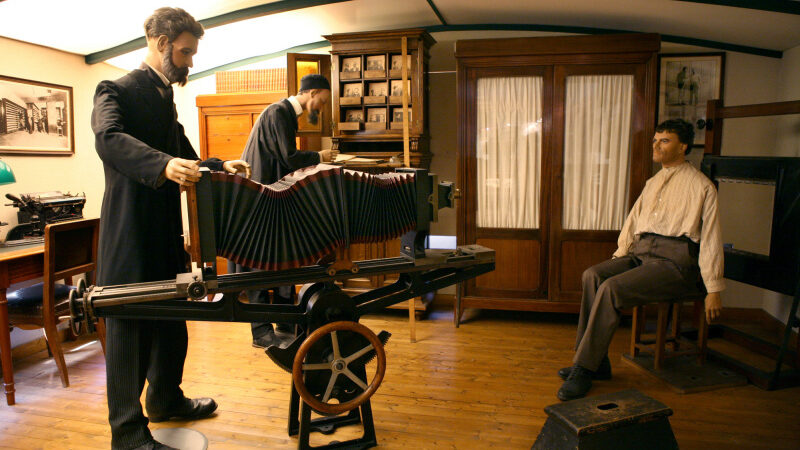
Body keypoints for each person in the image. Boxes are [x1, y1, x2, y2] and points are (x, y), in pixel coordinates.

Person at [91, 8, 251, 450]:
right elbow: (108, 139)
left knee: (169, 320)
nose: (189, 62)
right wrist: (163, 164)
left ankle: (165, 399)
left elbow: (184, 153)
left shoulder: (163, 97)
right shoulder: (115, 89)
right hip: (129, 234)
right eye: (184, 52)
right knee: (129, 331)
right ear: (161, 44)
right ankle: (126, 434)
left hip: (164, 233)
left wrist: (218, 166)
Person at [557, 119, 724, 401]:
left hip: (675, 263)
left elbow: (711, 238)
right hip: (642, 253)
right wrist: (621, 255)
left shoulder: (702, 187)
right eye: (655, 140)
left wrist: (714, 288)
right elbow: (633, 222)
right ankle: (596, 361)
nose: (656, 145)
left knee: (612, 288)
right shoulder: (653, 182)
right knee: (593, 276)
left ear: (683, 146)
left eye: (665, 141)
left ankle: (585, 367)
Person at [235, 73, 335, 349]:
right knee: (259, 264)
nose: (321, 108)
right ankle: (261, 332)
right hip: (261, 200)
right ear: (312, 93)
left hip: (271, 198)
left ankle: (284, 324)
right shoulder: (279, 112)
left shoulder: (282, 114)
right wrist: (320, 157)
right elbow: (288, 157)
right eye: (322, 102)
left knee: (282, 260)